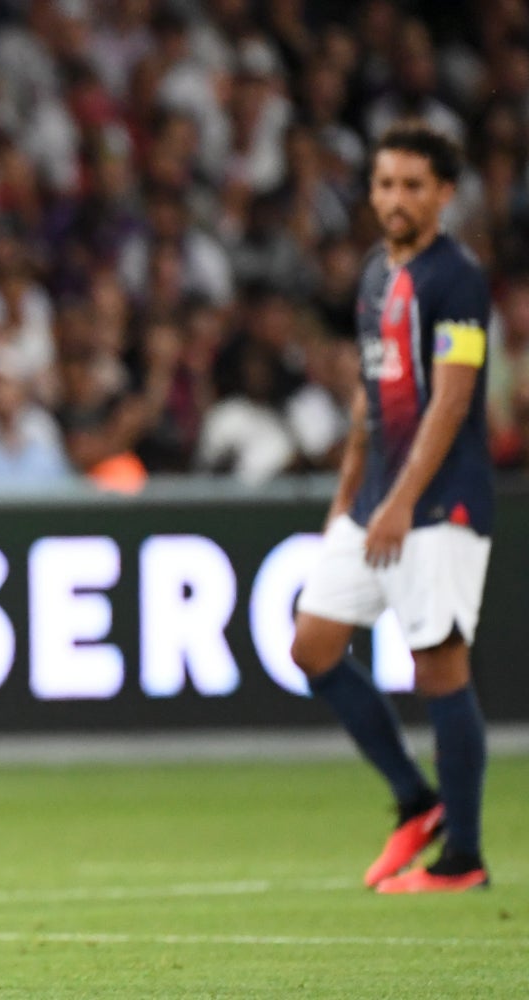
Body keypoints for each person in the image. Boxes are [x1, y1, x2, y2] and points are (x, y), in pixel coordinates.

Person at [289, 124, 494, 893]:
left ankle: (464, 859)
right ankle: (416, 799)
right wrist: (348, 498)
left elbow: (452, 399)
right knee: (313, 645)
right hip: (376, 499)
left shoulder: (458, 278)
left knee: (438, 667)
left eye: (413, 185)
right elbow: (370, 397)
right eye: (385, 184)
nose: (396, 199)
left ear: (444, 194)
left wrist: (405, 500)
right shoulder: (376, 273)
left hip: (440, 506)